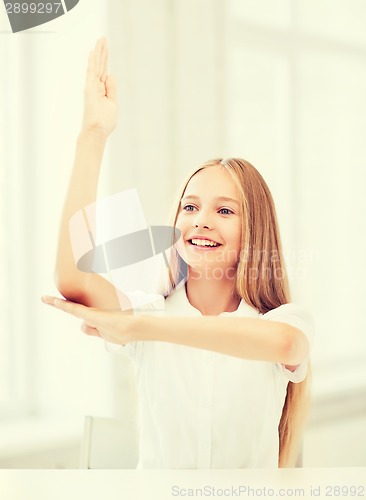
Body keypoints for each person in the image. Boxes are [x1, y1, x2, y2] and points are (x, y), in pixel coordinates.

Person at [42, 37, 314, 469]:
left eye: (225, 210)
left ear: (254, 232)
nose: (201, 220)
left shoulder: (281, 321)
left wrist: (143, 329)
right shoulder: (148, 313)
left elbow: (285, 344)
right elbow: (73, 278)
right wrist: (93, 134)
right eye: (190, 207)